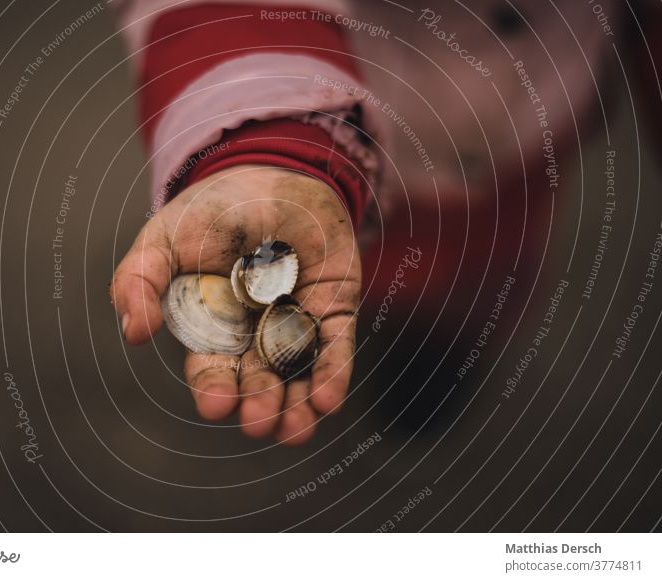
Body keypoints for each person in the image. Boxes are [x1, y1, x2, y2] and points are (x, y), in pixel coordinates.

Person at [109, 0, 619, 444]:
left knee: (481, 285)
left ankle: (435, 357)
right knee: (352, 275)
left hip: (527, 148)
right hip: (353, 151)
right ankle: (413, 349)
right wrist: (272, 141)